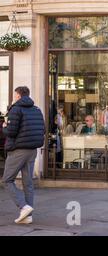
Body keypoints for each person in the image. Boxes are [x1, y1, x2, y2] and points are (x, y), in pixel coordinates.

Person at [1, 86, 45, 225]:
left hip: (18, 150)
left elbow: (11, 132)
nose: (14, 97)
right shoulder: (37, 110)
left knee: (7, 180)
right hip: (32, 150)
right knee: (28, 183)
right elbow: (42, 129)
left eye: (15, 95)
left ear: (19, 96)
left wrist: (4, 127)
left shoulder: (16, 109)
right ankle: (28, 216)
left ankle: (24, 206)